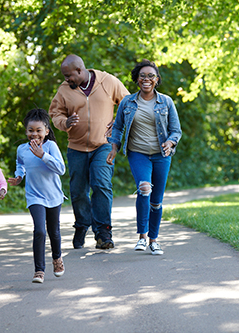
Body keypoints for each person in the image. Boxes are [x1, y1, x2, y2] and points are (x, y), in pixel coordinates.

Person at [49, 54, 129, 250]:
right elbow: (55, 114)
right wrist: (65, 123)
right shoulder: (64, 90)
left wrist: (118, 124)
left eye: (69, 76)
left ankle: (103, 233)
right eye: (65, 76)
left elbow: (128, 104)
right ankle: (82, 225)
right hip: (76, 148)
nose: (67, 80)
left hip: (103, 144)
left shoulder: (108, 81)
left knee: (101, 184)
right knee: (78, 192)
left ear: (79, 70)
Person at [106, 59, 182, 255]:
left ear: (157, 79)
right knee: (144, 189)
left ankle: (154, 240)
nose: (146, 79)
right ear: (137, 79)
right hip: (137, 153)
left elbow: (176, 131)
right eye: (142, 76)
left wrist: (171, 142)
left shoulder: (166, 102)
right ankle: (142, 236)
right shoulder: (127, 102)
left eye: (151, 76)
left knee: (156, 201)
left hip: (161, 155)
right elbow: (117, 126)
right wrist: (114, 148)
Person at [8, 108, 66, 284]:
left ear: (46, 131)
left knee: (53, 232)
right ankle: (39, 270)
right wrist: (19, 176)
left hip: (54, 195)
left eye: (38, 130)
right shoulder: (22, 149)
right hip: (34, 196)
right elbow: (20, 164)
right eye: (31, 130)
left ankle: (57, 258)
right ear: (26, 131)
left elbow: (61, 169)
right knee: (39, 230)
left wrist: (43, 156)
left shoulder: (51, 147)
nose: (34, 134)